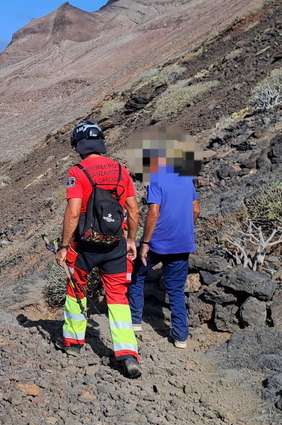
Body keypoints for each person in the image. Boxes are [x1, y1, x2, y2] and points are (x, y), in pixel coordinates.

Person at [55, 120, 142, 378]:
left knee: (76, 291)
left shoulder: (78, 172)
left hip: (84, 247)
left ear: (79, 146)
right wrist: (131, 240)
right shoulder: (120, 171)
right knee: (118, 298)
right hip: (115, 245)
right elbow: (134, 210)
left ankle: (73, 343)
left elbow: (72, 213)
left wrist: (63, 246)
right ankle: (127, 354)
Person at [127, 141, 200, 349]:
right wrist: (185, 230)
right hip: (182, 243)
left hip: (158, 242)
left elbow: (153, 212)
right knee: (176, 289)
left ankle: (135, 321)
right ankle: (180, 337)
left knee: (137, 274)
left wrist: (146, 242)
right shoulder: (187, 181)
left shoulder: (156, 180)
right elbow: (196, 210)